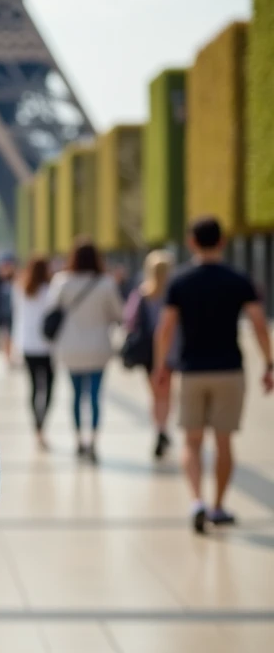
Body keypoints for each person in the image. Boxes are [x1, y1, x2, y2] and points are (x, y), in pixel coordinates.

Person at [153, 217, 274, 534]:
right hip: (229, 369)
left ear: (192, 242)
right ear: (222, 242)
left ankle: (196, 501)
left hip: (192, 370)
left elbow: (165, 329)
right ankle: (218, 506)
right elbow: (260, 324)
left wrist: (161, 365)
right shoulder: (238, 279)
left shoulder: (180, 281)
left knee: (192, 442)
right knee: (224, 442)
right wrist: (269, 363)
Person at [46, 239, 123, 463]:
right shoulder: (106, 283)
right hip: (98, 347)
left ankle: (79, 440)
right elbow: (118, 314)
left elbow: (52, 310)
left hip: (70, 347)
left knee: (77, 396)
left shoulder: (62, 282)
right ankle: (94, 441)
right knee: (96, 397)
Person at [123, 250, 175, 459]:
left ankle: (159, 428)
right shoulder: (173, 292)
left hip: (147, 351)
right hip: (170, 348)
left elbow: (129, 319)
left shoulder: (143, 293)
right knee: (167, 393)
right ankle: (163, 428)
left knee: (155, 394)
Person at [13, 256, 54, 449]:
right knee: (48, 388)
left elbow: (17, 319)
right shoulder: (50, 290)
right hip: (47, 346)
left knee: (33, 387)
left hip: (28, 345)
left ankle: (36, 426)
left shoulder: (22, 289)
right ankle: (42, 424)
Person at [0, 257, 16, 362]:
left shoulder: (16, 281)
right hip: (3, 312)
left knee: (12, 334)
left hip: (13, 312)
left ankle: (10, 352)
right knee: (5, 334)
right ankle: (7, 354)